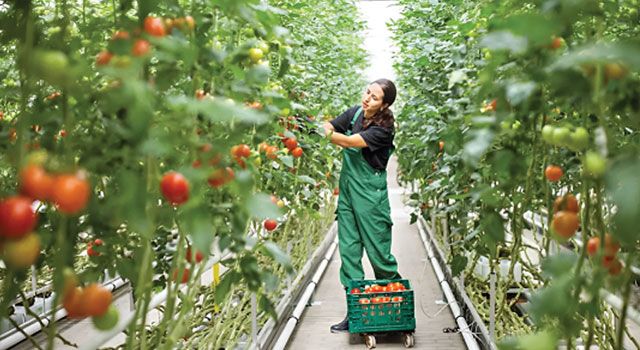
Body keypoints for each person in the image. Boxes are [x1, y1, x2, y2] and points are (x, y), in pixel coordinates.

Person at [322, 78, 401, 333]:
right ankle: (355, 313)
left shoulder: (384, 128)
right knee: (349, 252)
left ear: (384, 105)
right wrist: (323, 126)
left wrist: (324, 133)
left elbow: (349, 141)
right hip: (347, 194)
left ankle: (394, 311)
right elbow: (332, 125)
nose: (367, 98)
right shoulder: (354, 113)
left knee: (379, 255)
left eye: (375, 97)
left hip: (370, 196)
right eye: (368, 92)